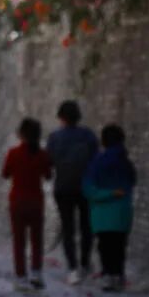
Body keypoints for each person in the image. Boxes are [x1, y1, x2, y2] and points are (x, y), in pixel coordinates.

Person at [46, 99, 99, 285]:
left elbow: (49, 162)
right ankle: (85, 264)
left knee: (68, 228)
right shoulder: (89, 136)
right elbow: (96, 161)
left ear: (61, 118)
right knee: (86, 227)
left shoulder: (54, 138)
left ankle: (72, 269)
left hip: (63, 187)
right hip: (85, 187)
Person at [82, 124, 137, 292]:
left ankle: (108, 275)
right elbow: (133, 182)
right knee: (119, 246)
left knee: (105, 246)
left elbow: (88, 189)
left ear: (104, 141)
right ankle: (118, 275)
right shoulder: (126, 163)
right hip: (122, 213)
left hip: (102, 214)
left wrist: (108, 193)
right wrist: (118, 192)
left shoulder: (97, 162)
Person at [2, 118, 53, 291]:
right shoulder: (42, 154)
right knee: (36, 239)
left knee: (19, 240)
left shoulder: (13, 153)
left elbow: (5, 174)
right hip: (36, 201)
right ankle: (36, 273)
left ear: (21, 134)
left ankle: (21, 276)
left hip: (17, 201)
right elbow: (48, 175)